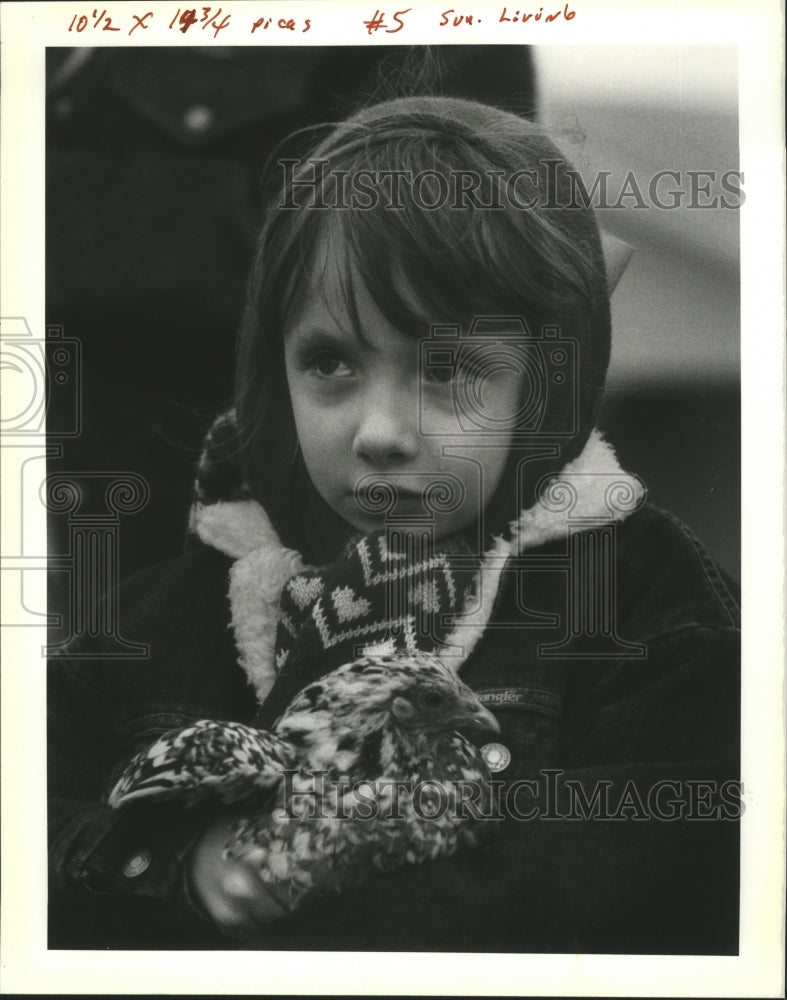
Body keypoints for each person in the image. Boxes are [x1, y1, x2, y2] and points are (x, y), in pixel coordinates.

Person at [47, 95, 741, 953]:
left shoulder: (644, 607)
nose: (379, 432)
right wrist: (175, 862)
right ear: (273, 374)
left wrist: (312, 878)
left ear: (543, 387)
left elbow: (673, 867)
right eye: (329, 362)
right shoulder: (160, 620)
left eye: (447, 370)